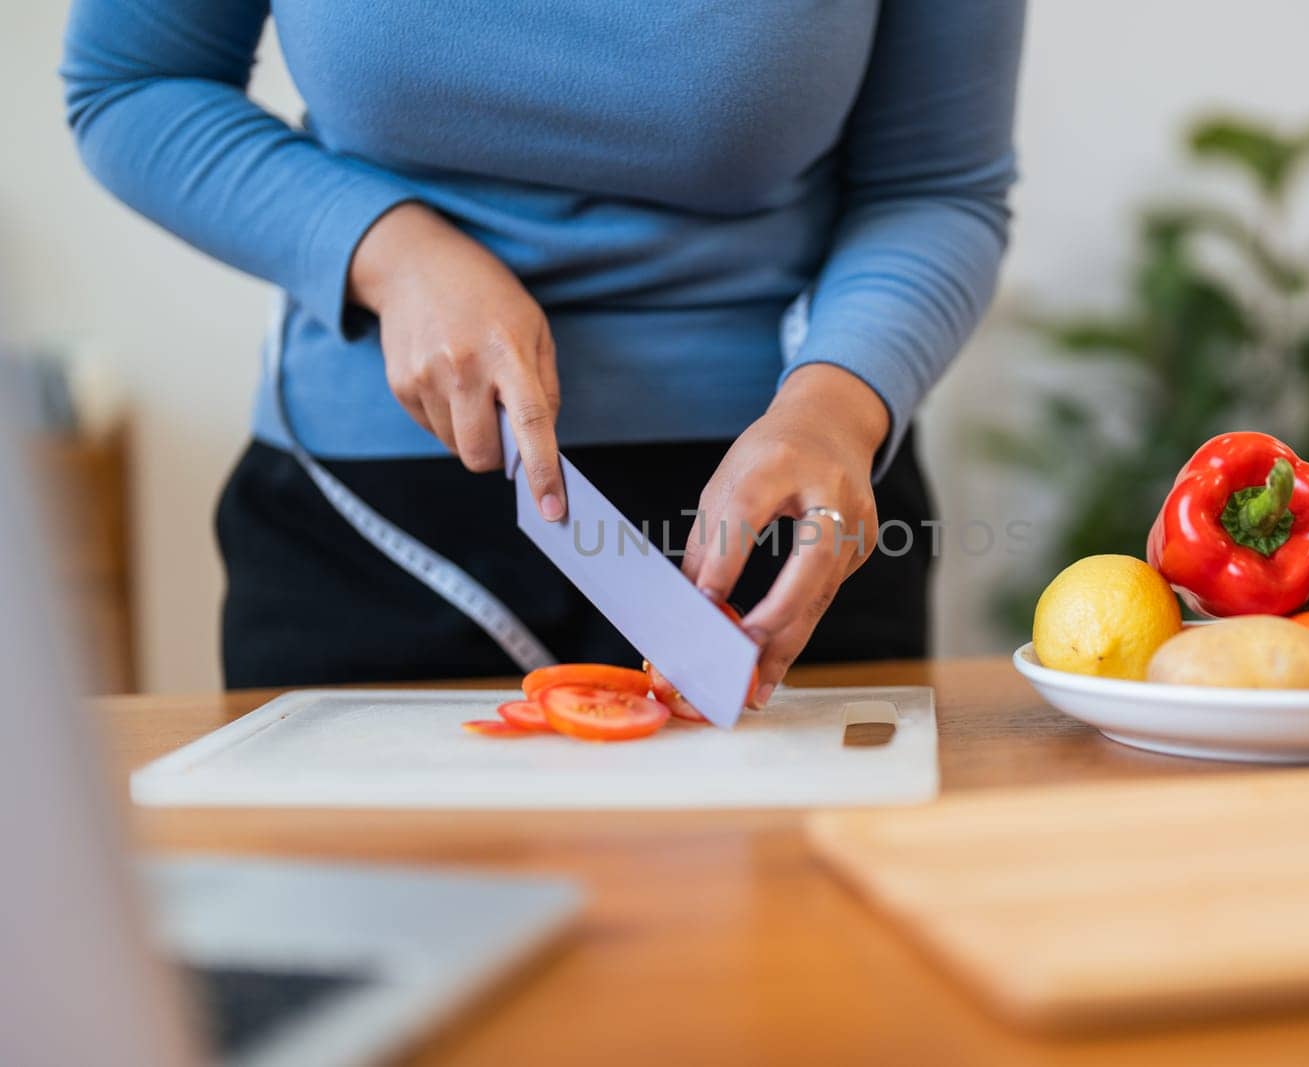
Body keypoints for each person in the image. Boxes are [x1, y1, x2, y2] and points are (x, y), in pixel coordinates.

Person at [61, 1, 1025, 702]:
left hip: (782, 523)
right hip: (364, 525)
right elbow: (131, 82)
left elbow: (935, 183)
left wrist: (834, 409)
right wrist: (390, 252)